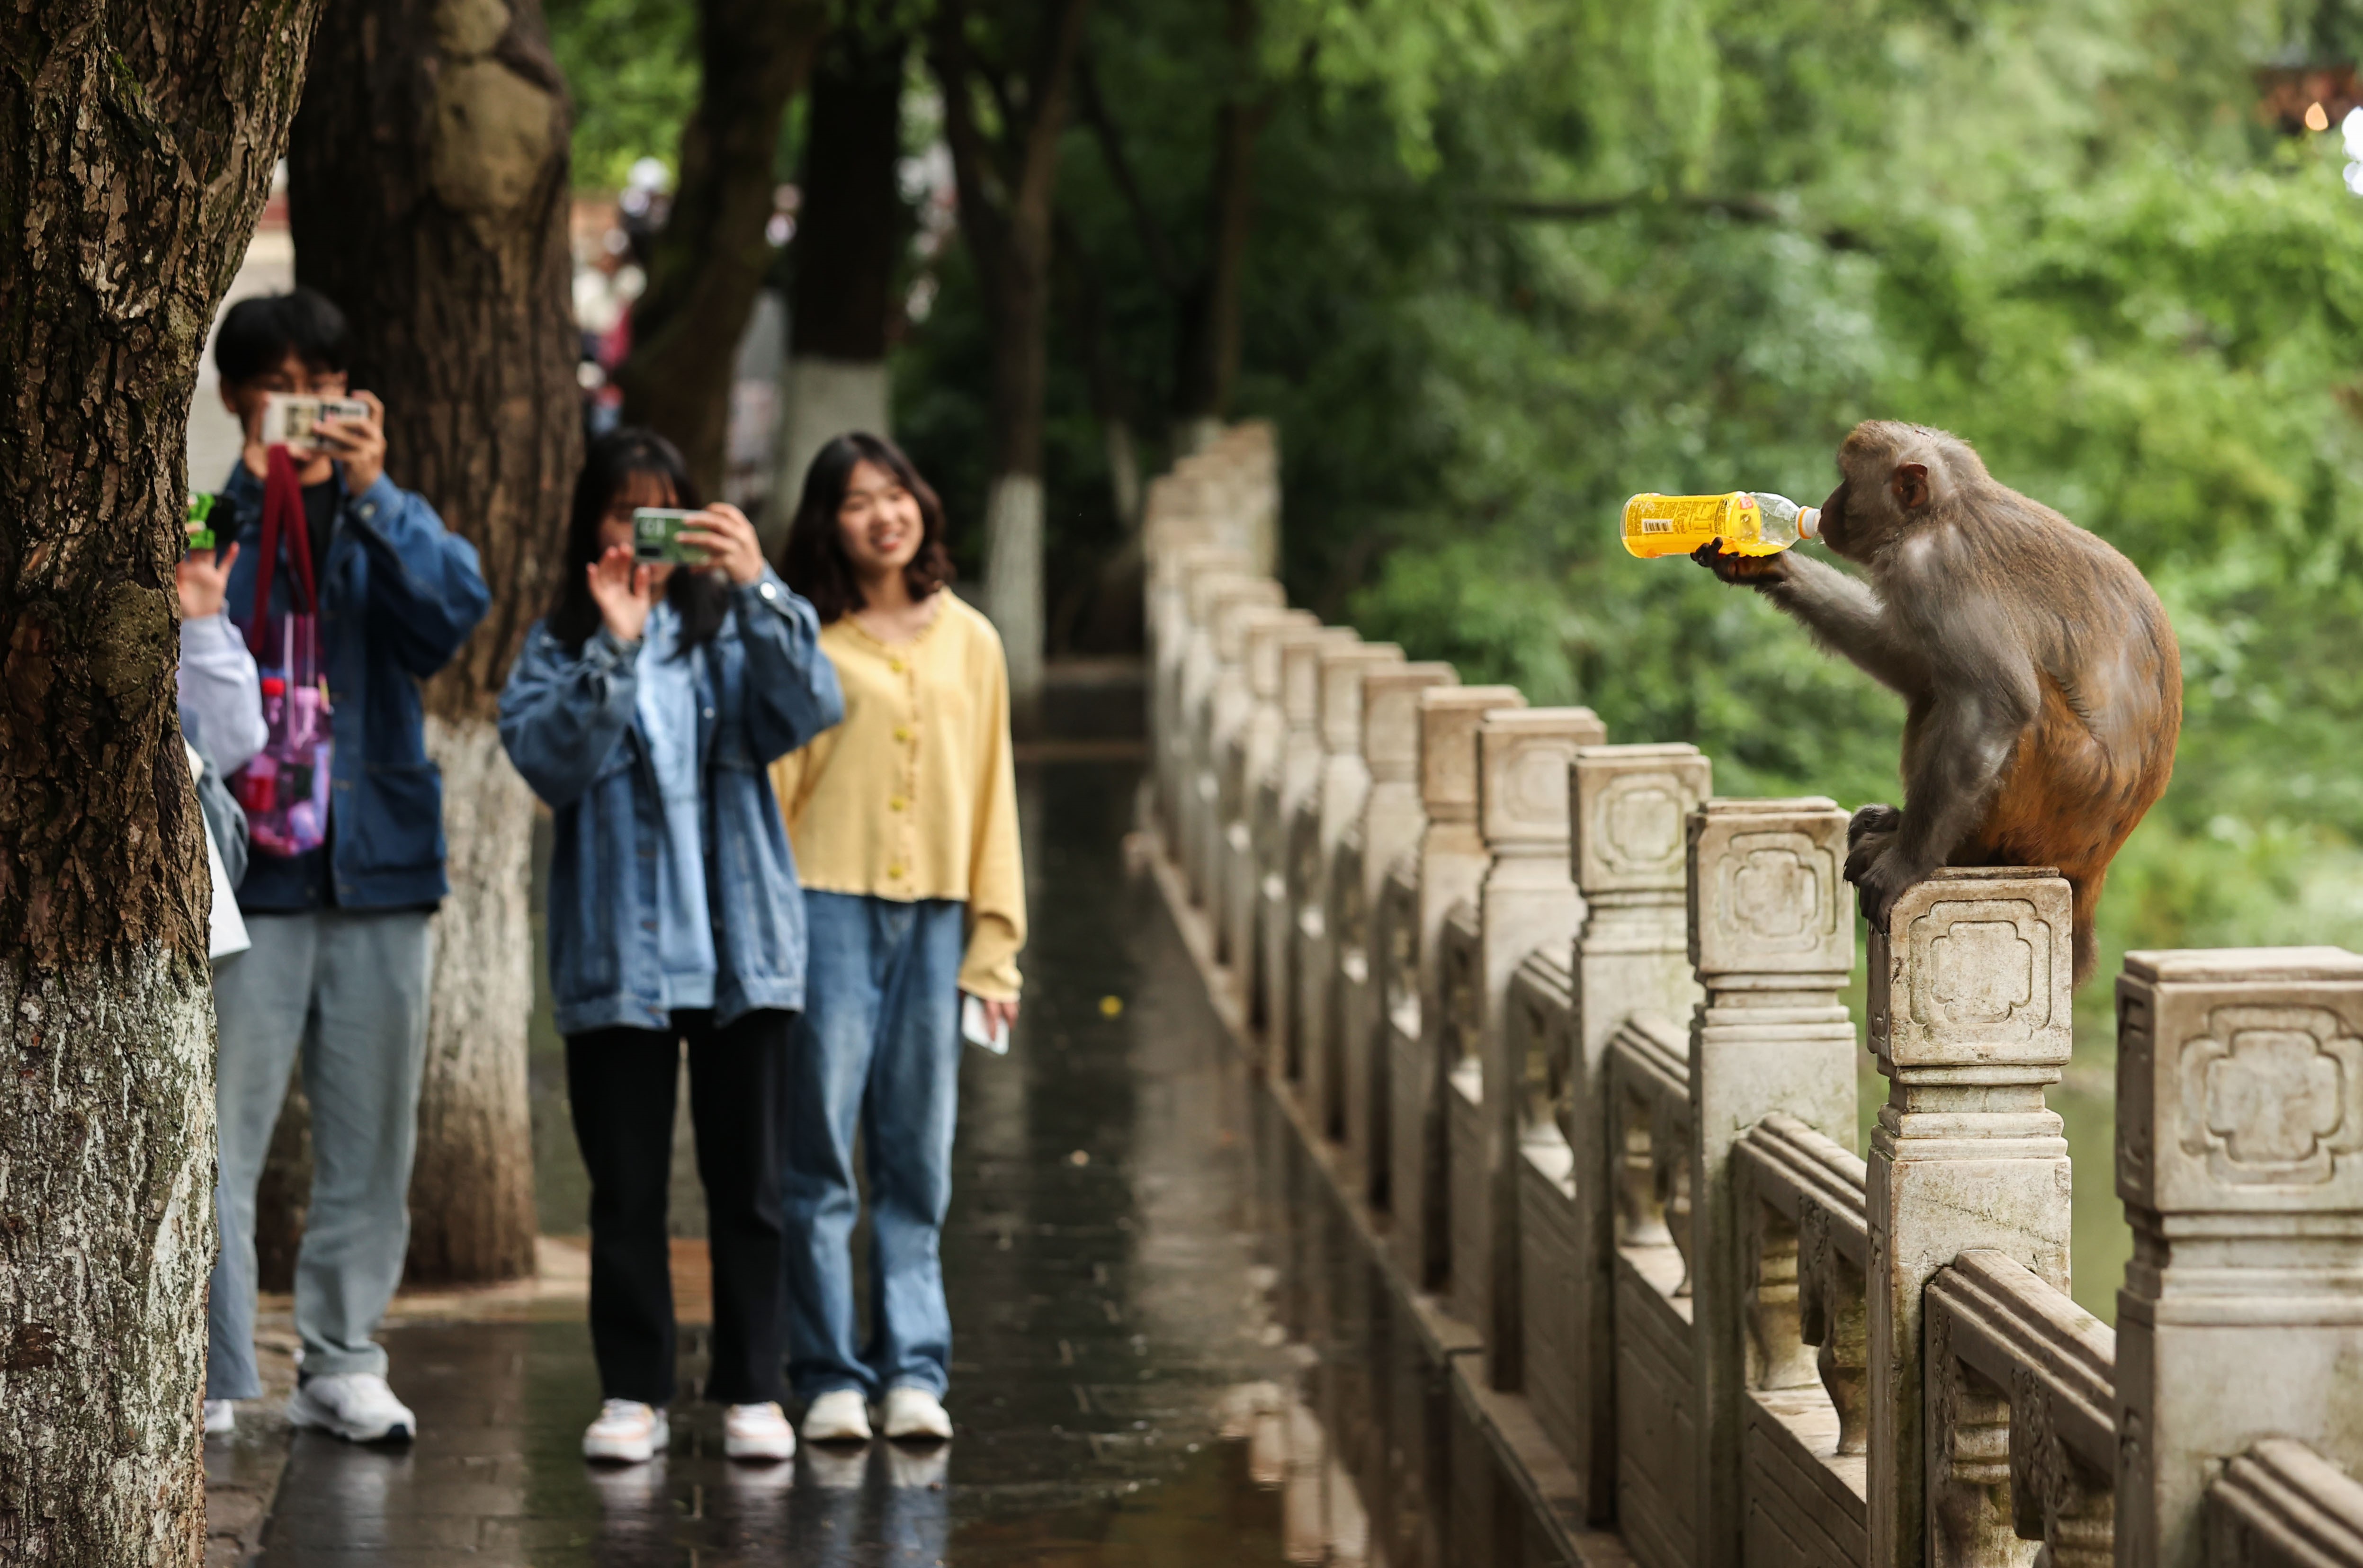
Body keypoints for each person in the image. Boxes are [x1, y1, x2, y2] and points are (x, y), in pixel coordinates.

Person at [500, 428, 843, 1466]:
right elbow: (545, 763)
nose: (640, 533)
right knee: (626, 1190)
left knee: (750, 1188)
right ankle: (633, 1394)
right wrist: (612, 645)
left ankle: (751, 1388)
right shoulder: (559, 643)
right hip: (619, 963)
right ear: (591, 526)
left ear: (697, 522)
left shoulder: (735, 631)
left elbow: (812, 706)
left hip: (744, 955)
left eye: (663, 511)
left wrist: (761, 582)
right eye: (621, 512)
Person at [207, 287, 490, 1444]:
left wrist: (374, 493)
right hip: (256, 879)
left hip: (377, 866)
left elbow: (451, 616)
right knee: (221, 1133)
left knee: (372, 1137)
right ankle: (216, 1365)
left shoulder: (383, 519)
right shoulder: (211, 519)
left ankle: (344, 1356)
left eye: (327, 385)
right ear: (237, 398)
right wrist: (236, 510)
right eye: (283, 385)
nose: (308, 407)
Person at [770, 433, 1026, 1446]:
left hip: (932, 920)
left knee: (917, 1154)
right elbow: (774, 791)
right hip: (819, 908)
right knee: (819, 1154)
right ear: (828, 523)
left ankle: (913, 1368)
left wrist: (994, 947)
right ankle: (830, 1371)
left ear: (920, 504)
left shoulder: (973, 640)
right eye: (856, 501)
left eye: (896, 494)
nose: (884, 514)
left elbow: (993, 797)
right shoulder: (809, 640)